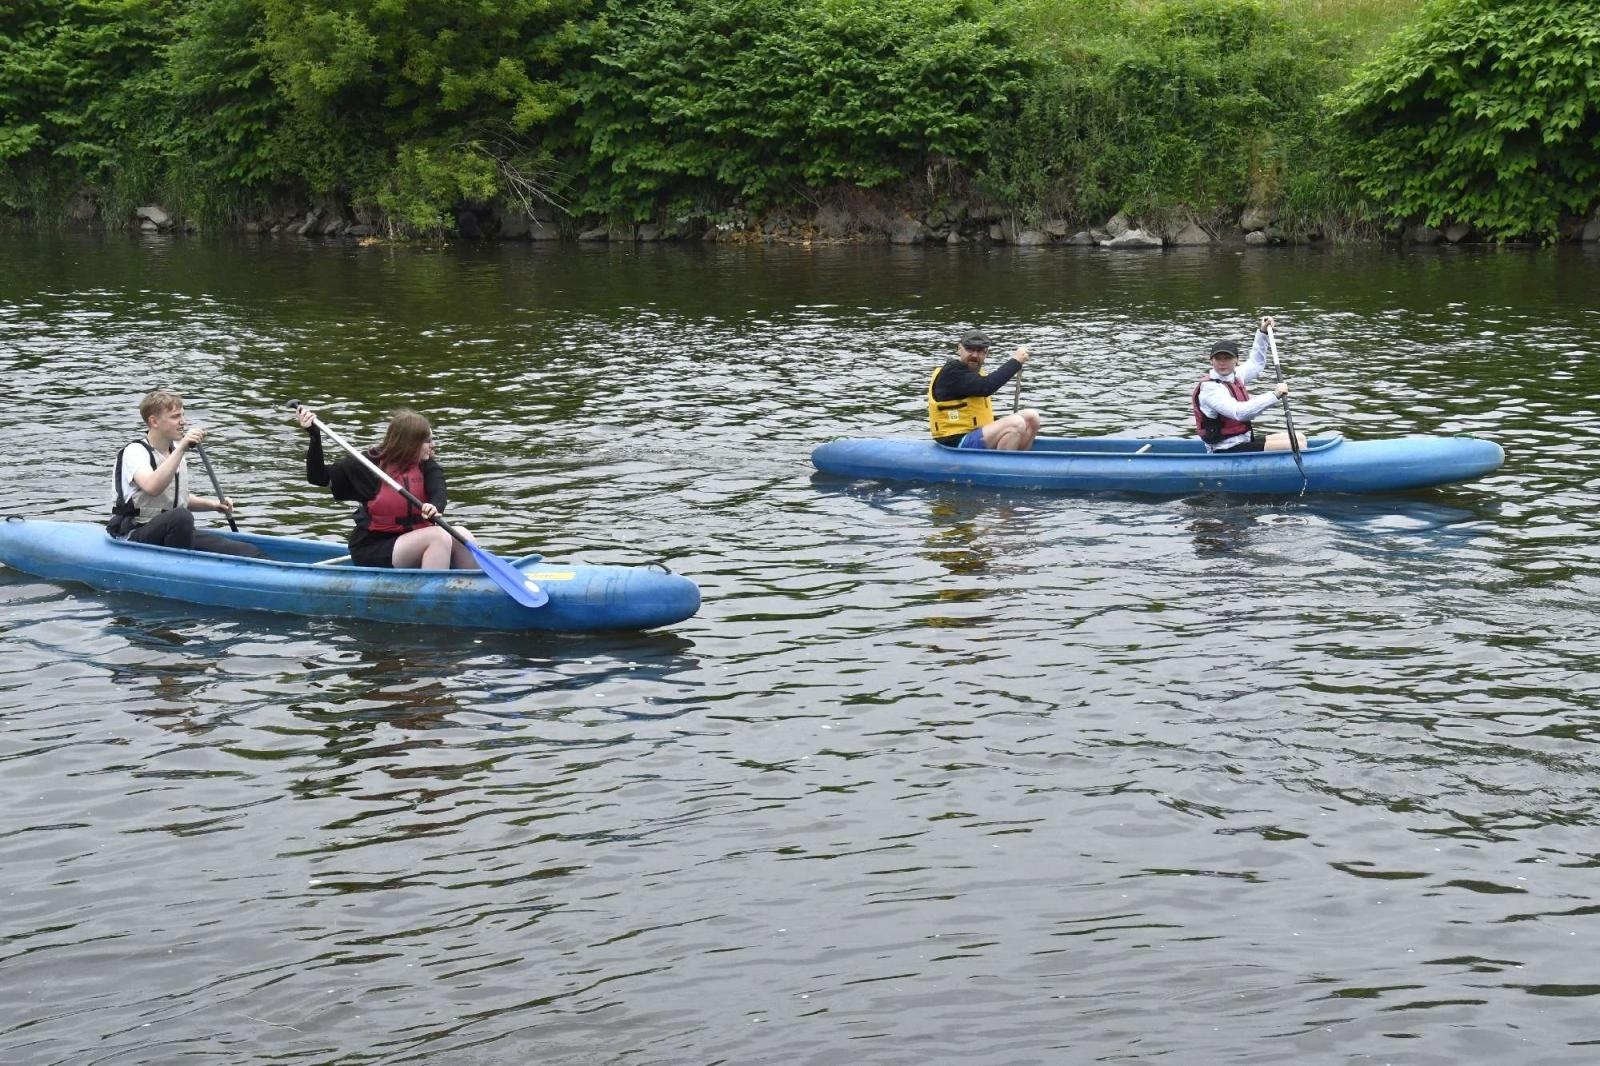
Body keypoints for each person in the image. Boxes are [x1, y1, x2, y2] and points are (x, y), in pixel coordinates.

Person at [296, 405, 478, 570]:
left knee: (463, 535)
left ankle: (472, 591)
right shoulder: (369, 466)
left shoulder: (427, 466)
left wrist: (435, 506)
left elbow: (438, 491)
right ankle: (432, 600)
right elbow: (318, 478)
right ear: (411, 444)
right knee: (439, 537)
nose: (433, 445)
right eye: (428, 441)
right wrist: (314, 435)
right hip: (374, 548)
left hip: (414, 541)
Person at [107, 390, 262, 556]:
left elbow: (177, 499)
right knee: (181, 517)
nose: (183, 422)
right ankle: (178, 568)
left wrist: (214, 505)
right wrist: (181, 448)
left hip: (174, 532)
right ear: (154, 421)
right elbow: (152, 487)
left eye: (183, 415)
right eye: (175, 417)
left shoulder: (175, 453)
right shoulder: (135, 452)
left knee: (248, 550)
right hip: (137, 532)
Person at [1192, 315, 1307, 453]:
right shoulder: (1210, 389)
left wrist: (1262, 333)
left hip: (1243, 440)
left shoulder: (1234, 376)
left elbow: (1256, 363)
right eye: (1218, 358)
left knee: (1300, 438)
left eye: (1227, 358)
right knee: (1297, 446)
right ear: (1211, 361)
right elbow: (1239, 413)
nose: (1222, 362)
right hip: (1225, 449)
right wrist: (1274, 395)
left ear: (1236, 361)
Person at [928, 330, 1041, 450]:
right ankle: (1001, 466)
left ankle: (1020, 461)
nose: (975, 355)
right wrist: (1016, 362)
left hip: (975, 434)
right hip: (955, 441)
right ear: (959, 349)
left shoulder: (974, 372)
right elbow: (986, 387)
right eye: (970, 349)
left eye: (980, 351)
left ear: (986, 353)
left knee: (1032, 417)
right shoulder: (952, 372)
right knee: (1016, 423)